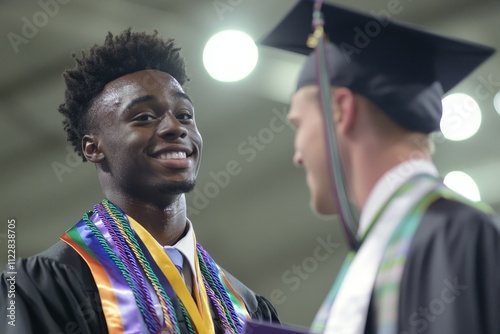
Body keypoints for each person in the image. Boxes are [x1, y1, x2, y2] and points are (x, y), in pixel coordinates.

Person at [0, 28, 279, 334]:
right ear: (93, 148)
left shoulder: (248, 308)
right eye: (144, 117)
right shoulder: (44, 287)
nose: (175, 127)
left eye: (185, 115)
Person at [261, 1, 500, 333]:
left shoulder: (454, 233)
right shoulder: (373, 254)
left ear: (340, 109)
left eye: (299, 125)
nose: (297, 155)